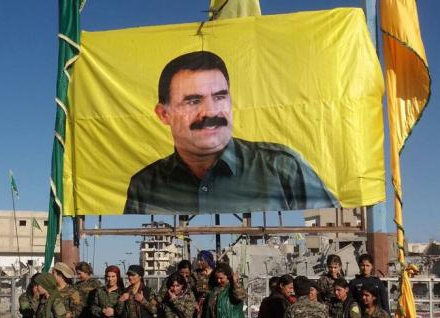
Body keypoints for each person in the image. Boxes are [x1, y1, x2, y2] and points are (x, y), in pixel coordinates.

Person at [123, 50, 337, 215]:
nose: (210, 112)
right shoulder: (145, 185)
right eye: (193, 101)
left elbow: (334, 232)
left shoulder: (283, 167)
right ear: (163, 114)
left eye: (219, 97)